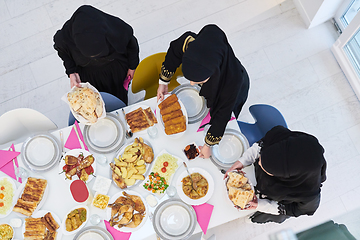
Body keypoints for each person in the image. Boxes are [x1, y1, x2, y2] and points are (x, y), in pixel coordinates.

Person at [157, 24, 250, 158]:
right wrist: (163, 82)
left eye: (198, 81)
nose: (192, 84)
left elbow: (222, 116)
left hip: (235, 88)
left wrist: (207, 146)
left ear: (214, 72)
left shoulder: (232, 82)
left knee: (226, 116)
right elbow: (174, 52)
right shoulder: (190, 44)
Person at [225, 126, 327, 224]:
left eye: (267, 169)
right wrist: (242, 161)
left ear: (284, 176)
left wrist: (260, 205)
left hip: (275, 201)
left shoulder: (309, 196)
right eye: (261, 158)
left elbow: (292, 209)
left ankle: (253, 219)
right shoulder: (282, 137)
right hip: (263, 181)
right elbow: (261, 146)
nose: (259, 162)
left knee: (264, 216)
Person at [53, 5, 139, 105]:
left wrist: (132, 67)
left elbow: (132, 47)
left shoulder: (117, 30)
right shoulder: (64, 39)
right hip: (89, 75)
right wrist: (71, 72)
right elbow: (64, 53)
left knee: (119, 96)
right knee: (94, 101)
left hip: (115, 71)